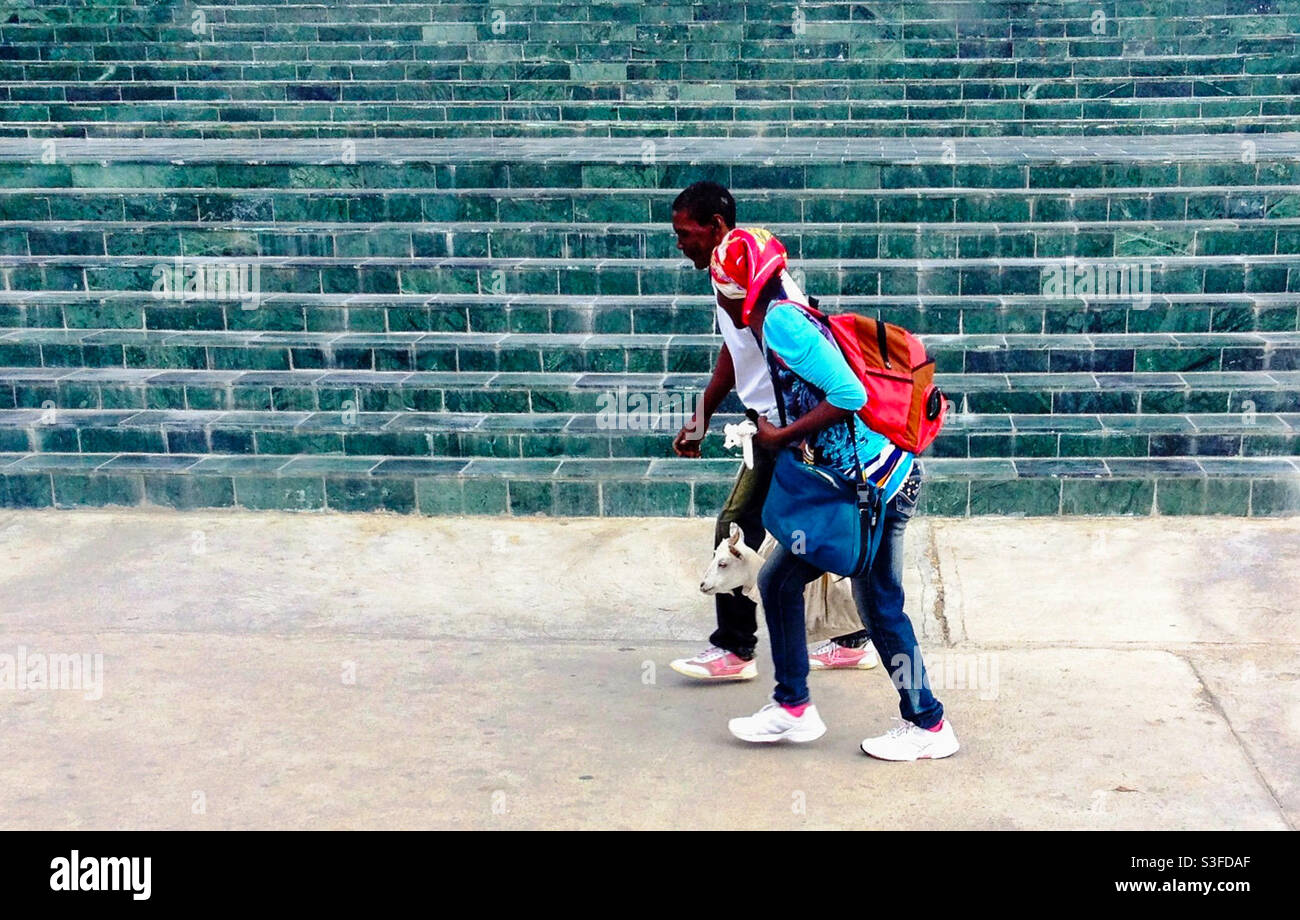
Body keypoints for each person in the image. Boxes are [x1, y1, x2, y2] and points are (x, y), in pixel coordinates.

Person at [724, 273, 960, 761]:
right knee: (780, 581)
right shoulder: (786, 315)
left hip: (878, 490)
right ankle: (793, 706)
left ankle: (929, 723)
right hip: (862, 487)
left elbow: (849, 395)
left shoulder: (782, 324)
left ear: (739, 289)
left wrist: (780, 437)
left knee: (879, 606)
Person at [666, 181, 878, 682]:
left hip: (789, 434)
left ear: (716, 227)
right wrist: (700, 417)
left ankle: (738, 652)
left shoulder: (760, 286)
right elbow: (732, 354)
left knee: (738, 528)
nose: (679, 244)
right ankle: (849, 639)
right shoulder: (732, 272)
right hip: (774, 431)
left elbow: (836, 384)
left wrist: (787, 437)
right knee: (801, 534)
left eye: (685, 233)